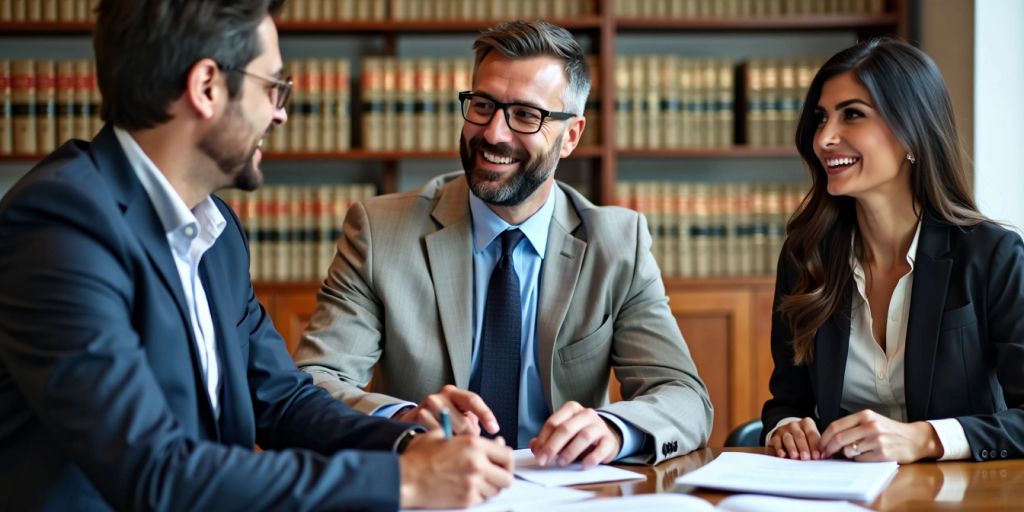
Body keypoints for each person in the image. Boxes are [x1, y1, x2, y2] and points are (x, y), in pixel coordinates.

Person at [0, 1, 514, 510]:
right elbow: (153, 472)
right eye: (273, 87)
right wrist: (401, 482)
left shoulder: (217, 232)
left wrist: (409, 443)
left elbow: (282, 399)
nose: (282, 112)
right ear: (206, 87)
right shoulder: (61, 227)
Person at [295, 19, 712, 468]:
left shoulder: (617, 244)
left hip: (564, 492)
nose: (494, 133)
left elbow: (684, 397)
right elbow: (315, 381)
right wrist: (405, 419)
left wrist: (615, 428)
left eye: (526, 115)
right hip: (434, 487)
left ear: (570, 136)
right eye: (483, 105)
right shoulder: (380, 232)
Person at [761, 38, 1024, 464]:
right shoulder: (805, 255)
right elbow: (787, 399)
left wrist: (925, 439)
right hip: (839, 494)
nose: (824, 138)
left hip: (962, 498)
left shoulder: (992, 255)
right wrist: (786, 427)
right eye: (821, 118)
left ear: (912, 134)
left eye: (853, 115)